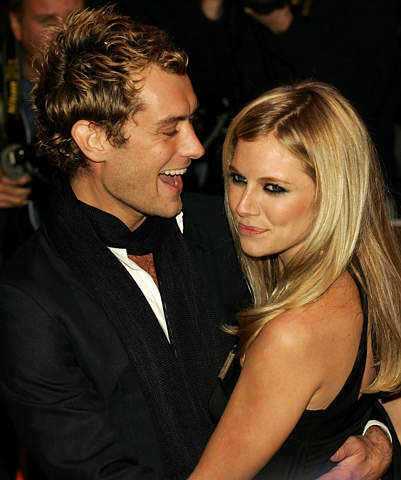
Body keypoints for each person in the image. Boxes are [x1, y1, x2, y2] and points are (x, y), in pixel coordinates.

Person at [0, 7, 394, 479]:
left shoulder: (239, 227)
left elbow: (356, 355)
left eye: (192, 120)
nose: (196, 147)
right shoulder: (29, 300)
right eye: (170, 129)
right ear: (95, 139)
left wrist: (380, 434)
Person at [188, 81, 401, 479]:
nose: (243, 205)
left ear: (332, 194)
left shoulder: (292, 335)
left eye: (274, 188)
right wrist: (381, 437)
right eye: (237, 178)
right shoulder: (367, 279)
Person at [0, 0, 85, 264]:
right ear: (16, 25)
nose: (63, 33)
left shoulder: (118, 82)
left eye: (75, 18)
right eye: (47, 22)